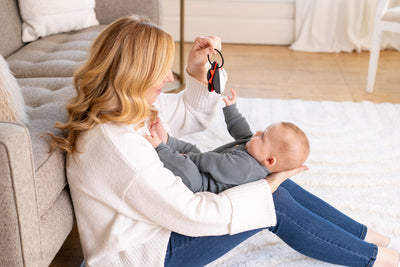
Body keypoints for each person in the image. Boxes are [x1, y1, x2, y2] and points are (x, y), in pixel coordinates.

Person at [48, 15, 400, 267]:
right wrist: (266, 190)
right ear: (135, 75)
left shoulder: (127, 107)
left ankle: (366, 235)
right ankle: (378, 259)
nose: (169, 78)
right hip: (149, 254)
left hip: (157, 225)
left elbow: (190, 114)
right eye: (161, 73)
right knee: (272, 200)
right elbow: (191, 213)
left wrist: (199, 71)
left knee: (265, 182)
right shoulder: (118, 146)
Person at [145, 88, 310, 193]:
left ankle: (161, 149)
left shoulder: (247, 167)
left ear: (269, 160)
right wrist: (232, 110)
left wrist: (187, 158)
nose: (257, 132)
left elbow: (214, 162)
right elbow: (242, 130)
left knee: (188, 165)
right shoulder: (256, 149)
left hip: (200, 183)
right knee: (193, 149)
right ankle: (166, 140)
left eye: (263, 136)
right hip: (205, 167)